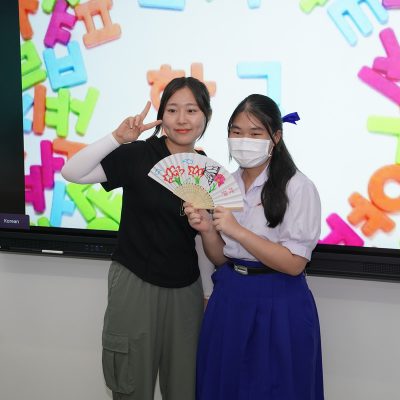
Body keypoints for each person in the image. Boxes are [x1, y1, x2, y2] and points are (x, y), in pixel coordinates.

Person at [61, 77, 215, 400]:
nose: (182, 119)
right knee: (131, 383)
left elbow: (201, 239)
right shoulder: (139, 155)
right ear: (161, 116)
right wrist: (117, 138)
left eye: (191, 110)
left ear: (206, 116)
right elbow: (72, 172)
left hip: (186, 290)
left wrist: (205, 292)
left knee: (185, 385)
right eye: (172, 110)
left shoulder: (206, 170)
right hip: (135, 281)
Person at [184, 94, 324, 400]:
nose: (243, 140)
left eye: (255, 133)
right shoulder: (224, 184)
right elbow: (221, 257)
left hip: (279, 300)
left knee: (277, 388)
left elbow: (294, 264)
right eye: (236, 132)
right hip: (230, 295)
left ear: (276, 137)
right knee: (223, 385)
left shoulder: (298, 187)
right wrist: (207, 229)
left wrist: (238, 231)